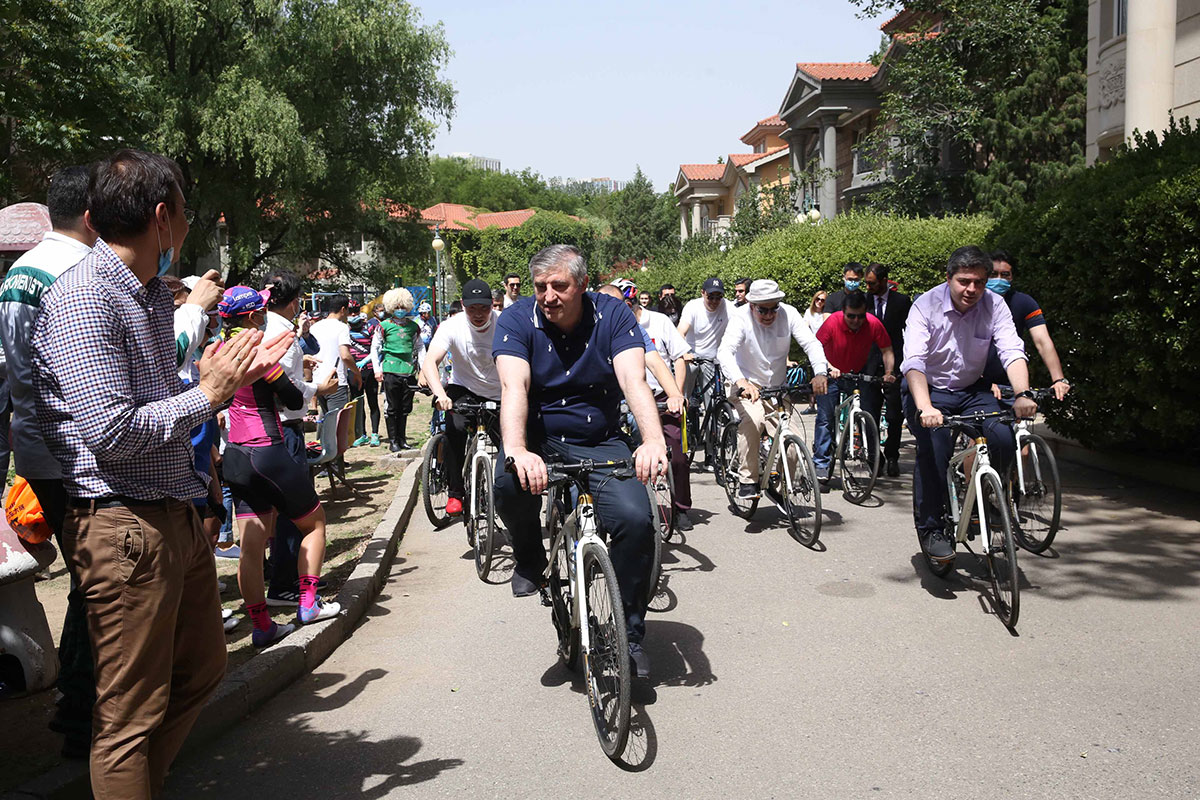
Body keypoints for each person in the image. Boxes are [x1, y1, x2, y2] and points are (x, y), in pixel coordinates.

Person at [30, 148, 292, 799]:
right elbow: (112, 433)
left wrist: (221, 389)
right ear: (164, 218)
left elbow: (147, 404)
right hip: (123, 526)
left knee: (202, 672)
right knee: (127, 722)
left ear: (91, 216)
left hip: (171, 513)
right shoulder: (84, 299)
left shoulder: (146, 294)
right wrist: (209, 393)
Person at [492, 244, 667, 678]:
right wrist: (516, 451)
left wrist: (652, 441)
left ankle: (629, 635)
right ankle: (531, 557)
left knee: (636, 520)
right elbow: (514, 388)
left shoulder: (614, 315)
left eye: (559, 286)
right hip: (539, 436)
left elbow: (633, 379)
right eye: (540, 287)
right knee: (506, 485)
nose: (548, 296)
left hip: (599, 437)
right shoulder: (516, 319)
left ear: (583, 284)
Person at [0, 164, 97, 757]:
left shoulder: (19, 272)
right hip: (74, 447)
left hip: (34, 443)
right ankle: (81, 707)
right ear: (94, 215)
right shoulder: (78, 271)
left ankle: (80, 702)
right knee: (98, 575)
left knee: (89, 573)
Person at [217, 286, 340, 648]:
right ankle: (308, 604)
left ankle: (262, 626)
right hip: (267, 449)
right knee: (314, 522)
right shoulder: (256, 353)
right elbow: (288, 397)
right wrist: (316, 387)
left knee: (251, 545)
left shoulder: (221, 350)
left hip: (236, 453)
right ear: (254, 316)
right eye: (263, 310)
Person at [901, 245, 1038, 564]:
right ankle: (932, 528)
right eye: (964, 281)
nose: (972, 289)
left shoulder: (995, 305)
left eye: (979, 281)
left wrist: (1022, 394)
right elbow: (915, 363)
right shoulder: (926, 306)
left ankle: (982, 502)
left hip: (970, 389)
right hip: (929, 390)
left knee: (1004, 439)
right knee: (934, 451)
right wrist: (925, 408)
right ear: (948, 278)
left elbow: (1012, 351)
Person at [262, 270, 336, 608]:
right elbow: (285, 390)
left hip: (259, 432)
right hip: (283, 428)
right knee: (301, 512)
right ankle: (286, 584)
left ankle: (281, 578)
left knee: (270, 516)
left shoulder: (260, 328)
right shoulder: (281, 334)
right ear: (294, 303)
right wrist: (319, 388)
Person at [717, 279, 828, 499]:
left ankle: (780, 488)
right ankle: (747, 479)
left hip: (777, 390)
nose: (769, 315)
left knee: (794, 442)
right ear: (751, 305)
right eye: (763, 310)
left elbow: (811, 344)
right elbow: (725, 352)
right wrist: (741, 381)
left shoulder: (789, 314)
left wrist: (820, 372)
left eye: (773, 308)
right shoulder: (740, 318)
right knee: (754, 420)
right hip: (746, 385)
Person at [612, 280, 694, 531]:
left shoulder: (658, 322)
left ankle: (680, 507)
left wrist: (676, 394)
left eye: (624, 305)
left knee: (677, 456)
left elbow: (676, 359)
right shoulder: (609, 325)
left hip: (659, 397)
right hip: (624, 400)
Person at [420, 279, 501, 516]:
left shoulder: (504, 322)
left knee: (511, 442)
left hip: (498, 391)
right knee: (453, 428)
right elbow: (430, 362)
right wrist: (440, 394)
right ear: (463, 305)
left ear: (491, 306)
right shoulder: (451, 326)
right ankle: (456, 493)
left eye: (484, 308)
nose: (478, 314)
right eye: (472, 308)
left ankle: (509, 494)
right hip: (462, 388)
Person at [812, 291, 896, 490]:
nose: (856, 320)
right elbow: (815, 347)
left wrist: (889, 372)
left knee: (869, 413)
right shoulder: (833, 321)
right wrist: (828, 368)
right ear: (843, 312)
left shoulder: (873, 323)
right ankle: (822, 465)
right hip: (831, 374)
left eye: (860, 316)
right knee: (825, 418)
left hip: (857, 374)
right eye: (851, 316)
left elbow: (887, 350)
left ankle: (872, 457)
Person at [983, 250, 1071, 401]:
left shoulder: (1024, 302)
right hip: (973, 383)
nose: (999, 279)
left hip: (1009, 383)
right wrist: (981, 382)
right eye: (993, 274)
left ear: (1012, 277)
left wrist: (1058, 379)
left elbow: (1042, 341)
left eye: (1005, 275)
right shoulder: (971, 303)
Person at [863, 263, 912, 477]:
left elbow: (910, 331)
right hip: (869, 365)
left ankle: (892, 455)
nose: (868, 287)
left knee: (894, 415)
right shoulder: (862, 301)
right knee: (869, 415)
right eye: (866, 283)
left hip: (895, 365)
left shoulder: (901, 302)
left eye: (872, 283)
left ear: (884, 281)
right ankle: (876, 458)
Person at [677, 277, 735, 454]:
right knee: (681, 397)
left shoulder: (729, 308)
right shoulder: (693, 307)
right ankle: (680, 436)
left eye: (719, 297)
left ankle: (712, 450)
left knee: (713, 402)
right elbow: (681, 332)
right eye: (711, 297)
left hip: (713, 359)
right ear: (703, 294)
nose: (715, 301)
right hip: (692, 356)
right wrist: (685, 353)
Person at [374, 288, 422, 451]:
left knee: (405, 407)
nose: (400, 310)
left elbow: (420, 348)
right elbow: (375, 348)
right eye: (397, 307)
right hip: (390, 370)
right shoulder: (383, 326)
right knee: (392, 407)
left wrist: (423, 370)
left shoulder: (414, 327)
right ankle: (393, 440)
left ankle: (402, 439)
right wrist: (377, 369)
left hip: (408, 371)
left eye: (403, 307)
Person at [309, 294, 358, 414]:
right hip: (337, 383)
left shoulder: (315, 327)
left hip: (318, 381)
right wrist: (357, 373)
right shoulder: (342, 327)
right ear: (343, 309)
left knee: (326, 422)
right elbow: (345, 355)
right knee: (337, 425)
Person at [348, 302, 382, 446]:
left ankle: (375, 434)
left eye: (356, 311)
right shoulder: (345, 330)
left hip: (369, 369)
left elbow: (378, 347)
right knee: (357, 403)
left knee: (373, 401)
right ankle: (361, 434)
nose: (353, 315)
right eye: (351, 311)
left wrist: (368, 360)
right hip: (352, 371)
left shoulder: (370, 327)